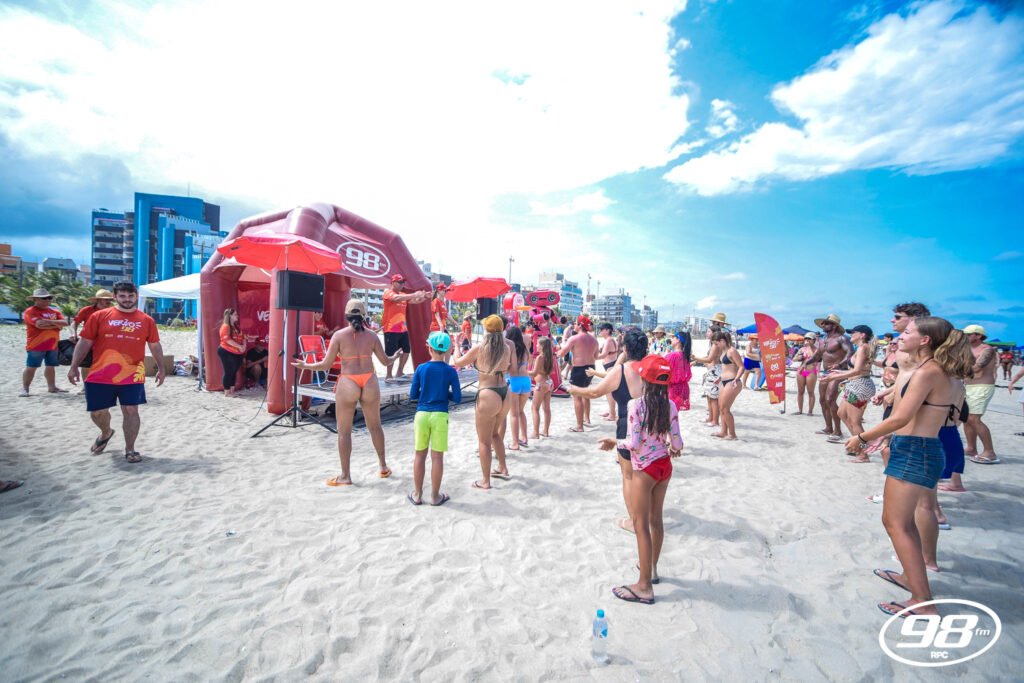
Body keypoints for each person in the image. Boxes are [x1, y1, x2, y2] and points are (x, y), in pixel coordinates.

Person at [844, 317, 973, 617]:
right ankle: (909, 578)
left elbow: (902, 417)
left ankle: (922, 602)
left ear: (925, 340)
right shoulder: (940, 370)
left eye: (907, 332)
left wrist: (861, 438)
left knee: (895, 523)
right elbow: (922, 416)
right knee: (904, 522)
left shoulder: (928, 371)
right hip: (919, 447)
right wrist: (889, 435)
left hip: (916, 450)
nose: (900, 336)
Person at [600, 354, 683, 604]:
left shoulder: (636, 405)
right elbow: (677, 443)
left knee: (640, 525)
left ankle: (644, 585)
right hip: (664, 467)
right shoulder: (670, 406)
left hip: (645, 470)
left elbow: (633, 443)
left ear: (644, 380)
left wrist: (614, 441)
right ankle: (652, 568)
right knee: (656, 521)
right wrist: (672, 447)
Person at [291, 299, 399, 485]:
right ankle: (383, 467)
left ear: (346, 316)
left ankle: (345, 476)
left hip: (348, 381)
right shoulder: (372, 336)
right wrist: (395, 357)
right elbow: (385, 361)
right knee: (375, 427)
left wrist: (306, 365)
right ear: (363, 316)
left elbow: (325, 365)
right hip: (369, 380)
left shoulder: (339, 336)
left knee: (344, 432)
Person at [67, 281, 165, 463]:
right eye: (122, 296)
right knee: (97, 412)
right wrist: (74, 366)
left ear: (136, 296)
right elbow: (85, 342)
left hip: (132, 374)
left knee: (131, 410)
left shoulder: (146, 320)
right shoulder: (99, 316)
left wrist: (161, 367)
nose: (127, 299)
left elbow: (154, 344)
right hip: (100, 373)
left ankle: (130, 449)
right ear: (115, 297)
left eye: (130, 296)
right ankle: (106, 432)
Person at [570, 328, 647, 533]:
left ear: (625, 348)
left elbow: (595, 392)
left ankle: (634, 522)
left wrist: (575, 389)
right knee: (645, 473)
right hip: (652, 423)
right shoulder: (652, 366)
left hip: (628, 424)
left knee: (629, 476)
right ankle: (646, 515)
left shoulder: (621, 370)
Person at [453, 314, 513, 489]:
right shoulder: (506, 348)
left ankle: (485, 481)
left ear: (486, 330)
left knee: (484, 441)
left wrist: (457, 346)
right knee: (495, 434)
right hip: (505, 393)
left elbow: (458, 362)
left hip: (488, 394)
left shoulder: (480, 349)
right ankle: (502, 467)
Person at [407, 331, 461, 506]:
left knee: (419, 455)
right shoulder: (451, 371)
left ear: (429, 348)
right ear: (447, 351)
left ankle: (417, 494)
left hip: (422, 415)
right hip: (440, 415)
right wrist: (444, 393)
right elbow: (458, 398)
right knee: (437, 458)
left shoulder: (421, 368)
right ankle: (435, 496)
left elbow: (413, 395)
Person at [821, 325, 877, 457]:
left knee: (854, 421)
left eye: (853, 332)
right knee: (841, 413)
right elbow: (855, 370)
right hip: (854, 384)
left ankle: (862, 453)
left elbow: (857, 371)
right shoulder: (861, 348)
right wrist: (838, 372)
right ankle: (859, 443)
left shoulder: (863, 348)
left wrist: (833, 377)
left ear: (862, 335)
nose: (851, 334)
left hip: (860, 386)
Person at [805, 314, 854, 440]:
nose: (823, 325)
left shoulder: (842, 339)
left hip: (839, 372)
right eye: (823, 323)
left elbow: (850, 353)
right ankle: (829, 428)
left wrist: (839, 364)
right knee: (822, 400)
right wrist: (805, 363)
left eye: (826, 323)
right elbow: (817, 356)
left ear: (835, 325)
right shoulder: (822, 341)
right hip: (826, 372)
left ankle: (838, 431)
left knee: (830, 400)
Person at [20, 288, 70, 397]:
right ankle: (25, 388)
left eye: (49, 298)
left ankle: (52, 387)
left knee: (51, 366)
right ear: (35, 299)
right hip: (36, 345)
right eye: (44, 298)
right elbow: (39, 325)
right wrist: (56, 325)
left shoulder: (55, 311)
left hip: (53, 345)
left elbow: (65, 323)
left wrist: (48, 322)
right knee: (31, 367)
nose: (47, 300)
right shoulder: (30, 311)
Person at [382, 274, 430, 381]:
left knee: (406, 350)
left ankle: (399, 372)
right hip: (390, 329)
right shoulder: (388, 293)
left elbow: (415, 301)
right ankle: (388, 375)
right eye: (400, 282)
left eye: (403, 282)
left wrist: (425, 297)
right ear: (393, 283)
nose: (402, 284)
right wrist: (414, 294)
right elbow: (396, 298)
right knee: (391, 353)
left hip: (402, 329)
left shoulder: (403, 295)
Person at [962, 325, 999, 464]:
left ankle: (990, 452)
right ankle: (971, 448)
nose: (965, 337)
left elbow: (978, 367)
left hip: (982, 386)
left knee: (974, 418)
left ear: (978, 335)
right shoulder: (966, 349)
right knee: (966, 418)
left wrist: (955, 370)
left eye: (968, 334)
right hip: (969, 386)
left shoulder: (987, 349)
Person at [559, 315, 600, 432]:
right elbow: (596, 356)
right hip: (591, 368)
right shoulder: (594, 339)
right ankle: (587, 419)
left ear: (580, 325)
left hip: (579, 369)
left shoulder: (574, 338)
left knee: (577, 397)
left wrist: (555, 352)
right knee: (586, 394)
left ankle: (579, 426)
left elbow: (562, 353)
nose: (574, 326)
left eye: (576, 324)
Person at [711, 330, 744, 440]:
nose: (716, 346)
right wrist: (720, 378)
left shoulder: (732, 351)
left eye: (716, 344)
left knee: (725, 409)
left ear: (722, 341)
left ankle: (732, 434)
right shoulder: (723, 352)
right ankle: (723, 431)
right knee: (721, 408)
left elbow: (741, 367)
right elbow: (726, 368)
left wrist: (736, 379)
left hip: (732, 382)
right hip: (724, 382)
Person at [503, 324, 531, 450]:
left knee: (513, 414)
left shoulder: (509, 349)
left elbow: (508, 367)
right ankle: (524, 438)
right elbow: (529, 362)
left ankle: (515, 443)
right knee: (521, 411)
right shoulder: (525, 350)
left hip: (513, 381)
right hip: (526, 381)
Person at [529, 336, 555, 438]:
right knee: (546, 408)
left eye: (537, 344)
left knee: (535, 408)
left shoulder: (540, 358)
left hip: (541, 384)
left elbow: (534, 373)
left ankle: (536, 433)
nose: (536, 345)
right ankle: (545, 431)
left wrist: (522, 371)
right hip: (549, 383)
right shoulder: (550, 356)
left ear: (542, 346)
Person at [218, 308, 246, 397]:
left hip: (237, 352)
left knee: (234, 371)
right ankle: (227, 392)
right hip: (227, 351)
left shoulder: (237, 327)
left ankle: (232, 391)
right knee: (228, 371)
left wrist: (244, 346)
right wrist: (239, 347)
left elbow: (243, 338)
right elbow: (228, 340)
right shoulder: (225, 326)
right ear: (230, 316)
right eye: (235, 314)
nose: (237, 316)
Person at [793, 333, 819, 415]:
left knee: (810, 392)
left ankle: (810, 411)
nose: (807, 340)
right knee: (800, 391)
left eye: (809, 339)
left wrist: (809, 347)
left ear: (814, 340)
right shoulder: (802, 349)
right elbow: (794, 359)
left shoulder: (816, 350)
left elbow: (813, 358)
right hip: (801, 371)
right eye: (806, 339)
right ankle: (800, 410)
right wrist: (798, 358)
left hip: (811, 371)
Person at [665, 331, 692, 410]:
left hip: (672, 389)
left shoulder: (672, 355)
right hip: (682, 388)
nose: (671, 340)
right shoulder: (684, 355)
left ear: (678, 340)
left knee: (668, 413)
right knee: (674, 413)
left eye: (673, 338)